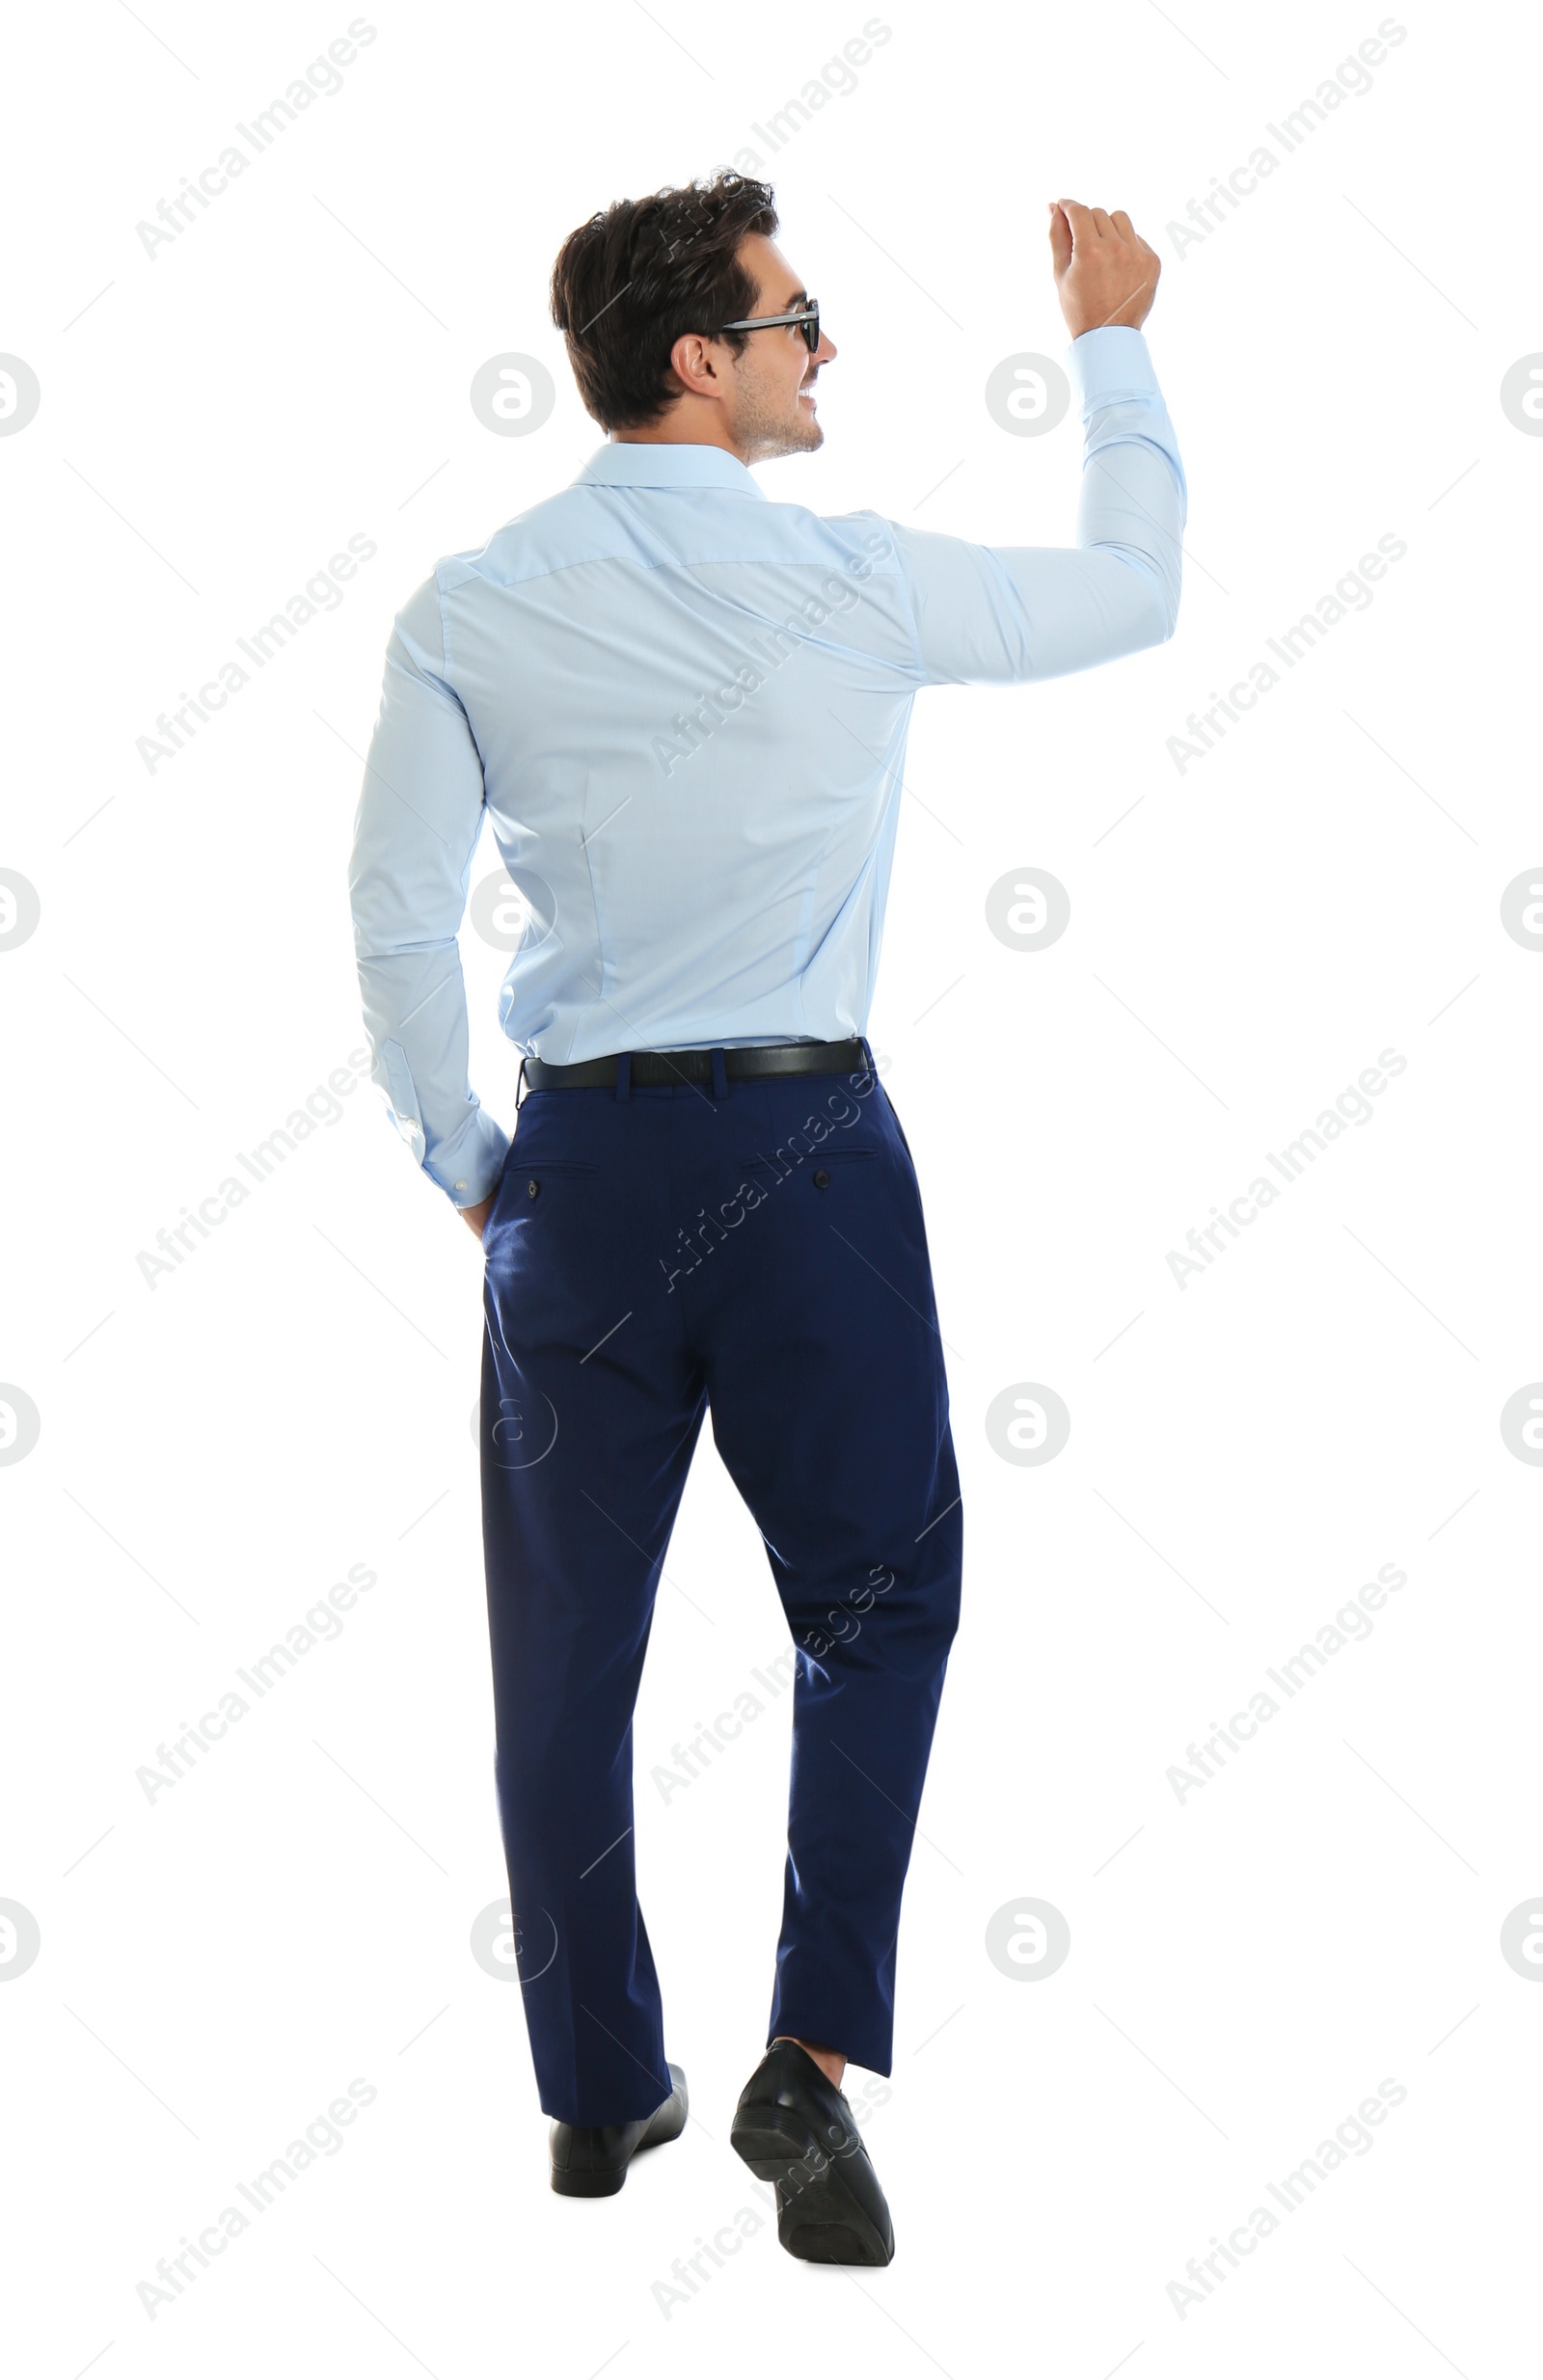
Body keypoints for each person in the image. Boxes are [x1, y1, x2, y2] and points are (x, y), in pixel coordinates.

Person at [347, 172, 1182, 2265]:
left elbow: (391, 918)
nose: (824, 354)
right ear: (699, 360)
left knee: (561, 1660)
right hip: (809, 1167)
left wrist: (468, 1165)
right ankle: (802, 2068)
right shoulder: (858, 588)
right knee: (879, 1603)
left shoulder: (467, 606)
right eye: (798, 320)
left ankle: (592, 2093)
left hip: (579, 1187)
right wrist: (1115, 337)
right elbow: (1133, 586)